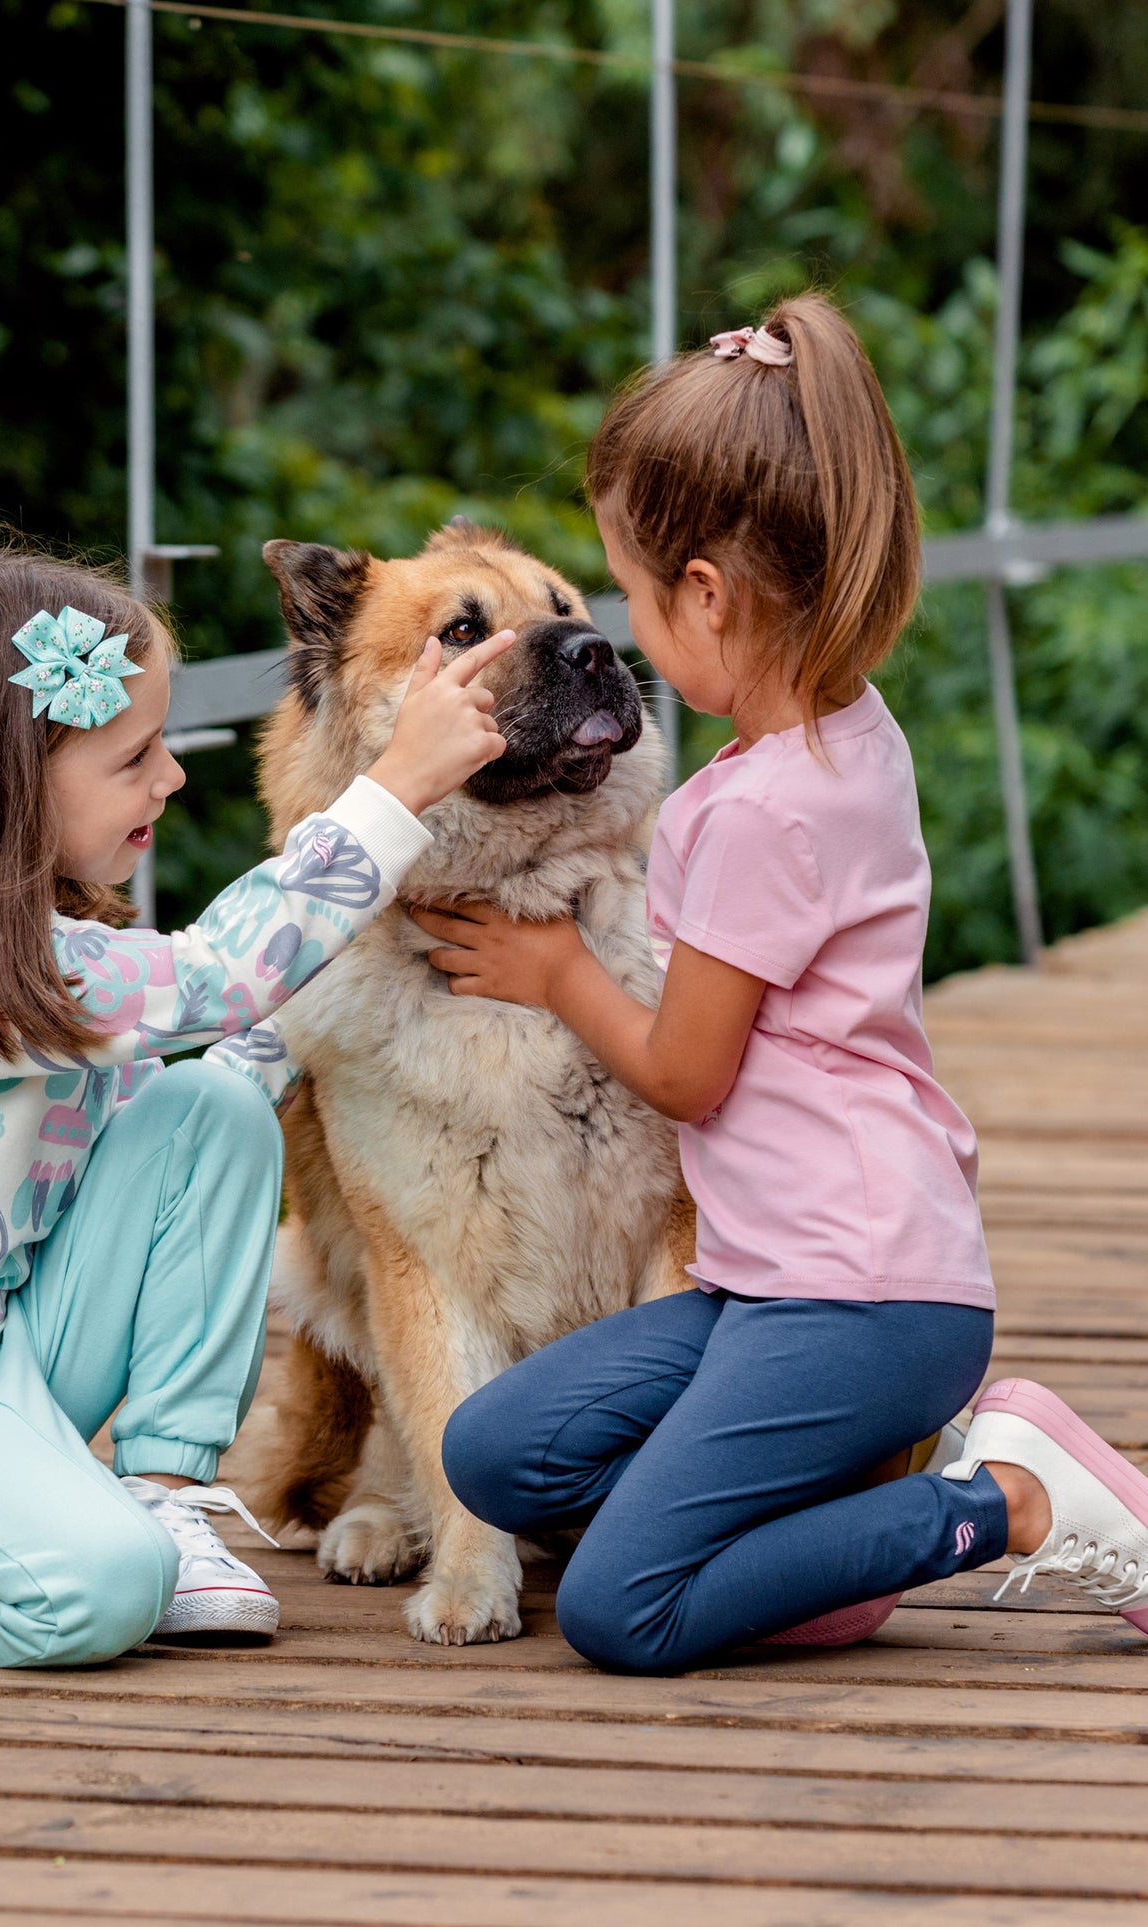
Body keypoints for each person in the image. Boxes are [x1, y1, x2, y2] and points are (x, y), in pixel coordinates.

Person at [413, 294, 1148, 1674]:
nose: (625, 624)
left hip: (860, 1299)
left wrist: (558, 967)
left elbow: (691, 1071)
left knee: (618, 1608)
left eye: (629, 592)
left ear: (706, 595)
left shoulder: (755, 813)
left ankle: (1006, 1497)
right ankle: (805, 1547)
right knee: (497, 1451)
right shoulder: (848, 731)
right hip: (780, 1281)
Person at [0, 543, 512, 1668]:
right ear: (4, 786)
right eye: (136, 755)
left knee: (209, 1110)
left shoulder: (53, 961)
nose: (173, 778)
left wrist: (330, 1000)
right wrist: (392, 788)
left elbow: (226, 1045)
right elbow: (217, 976)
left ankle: (161, 1494)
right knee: (100, 1596)